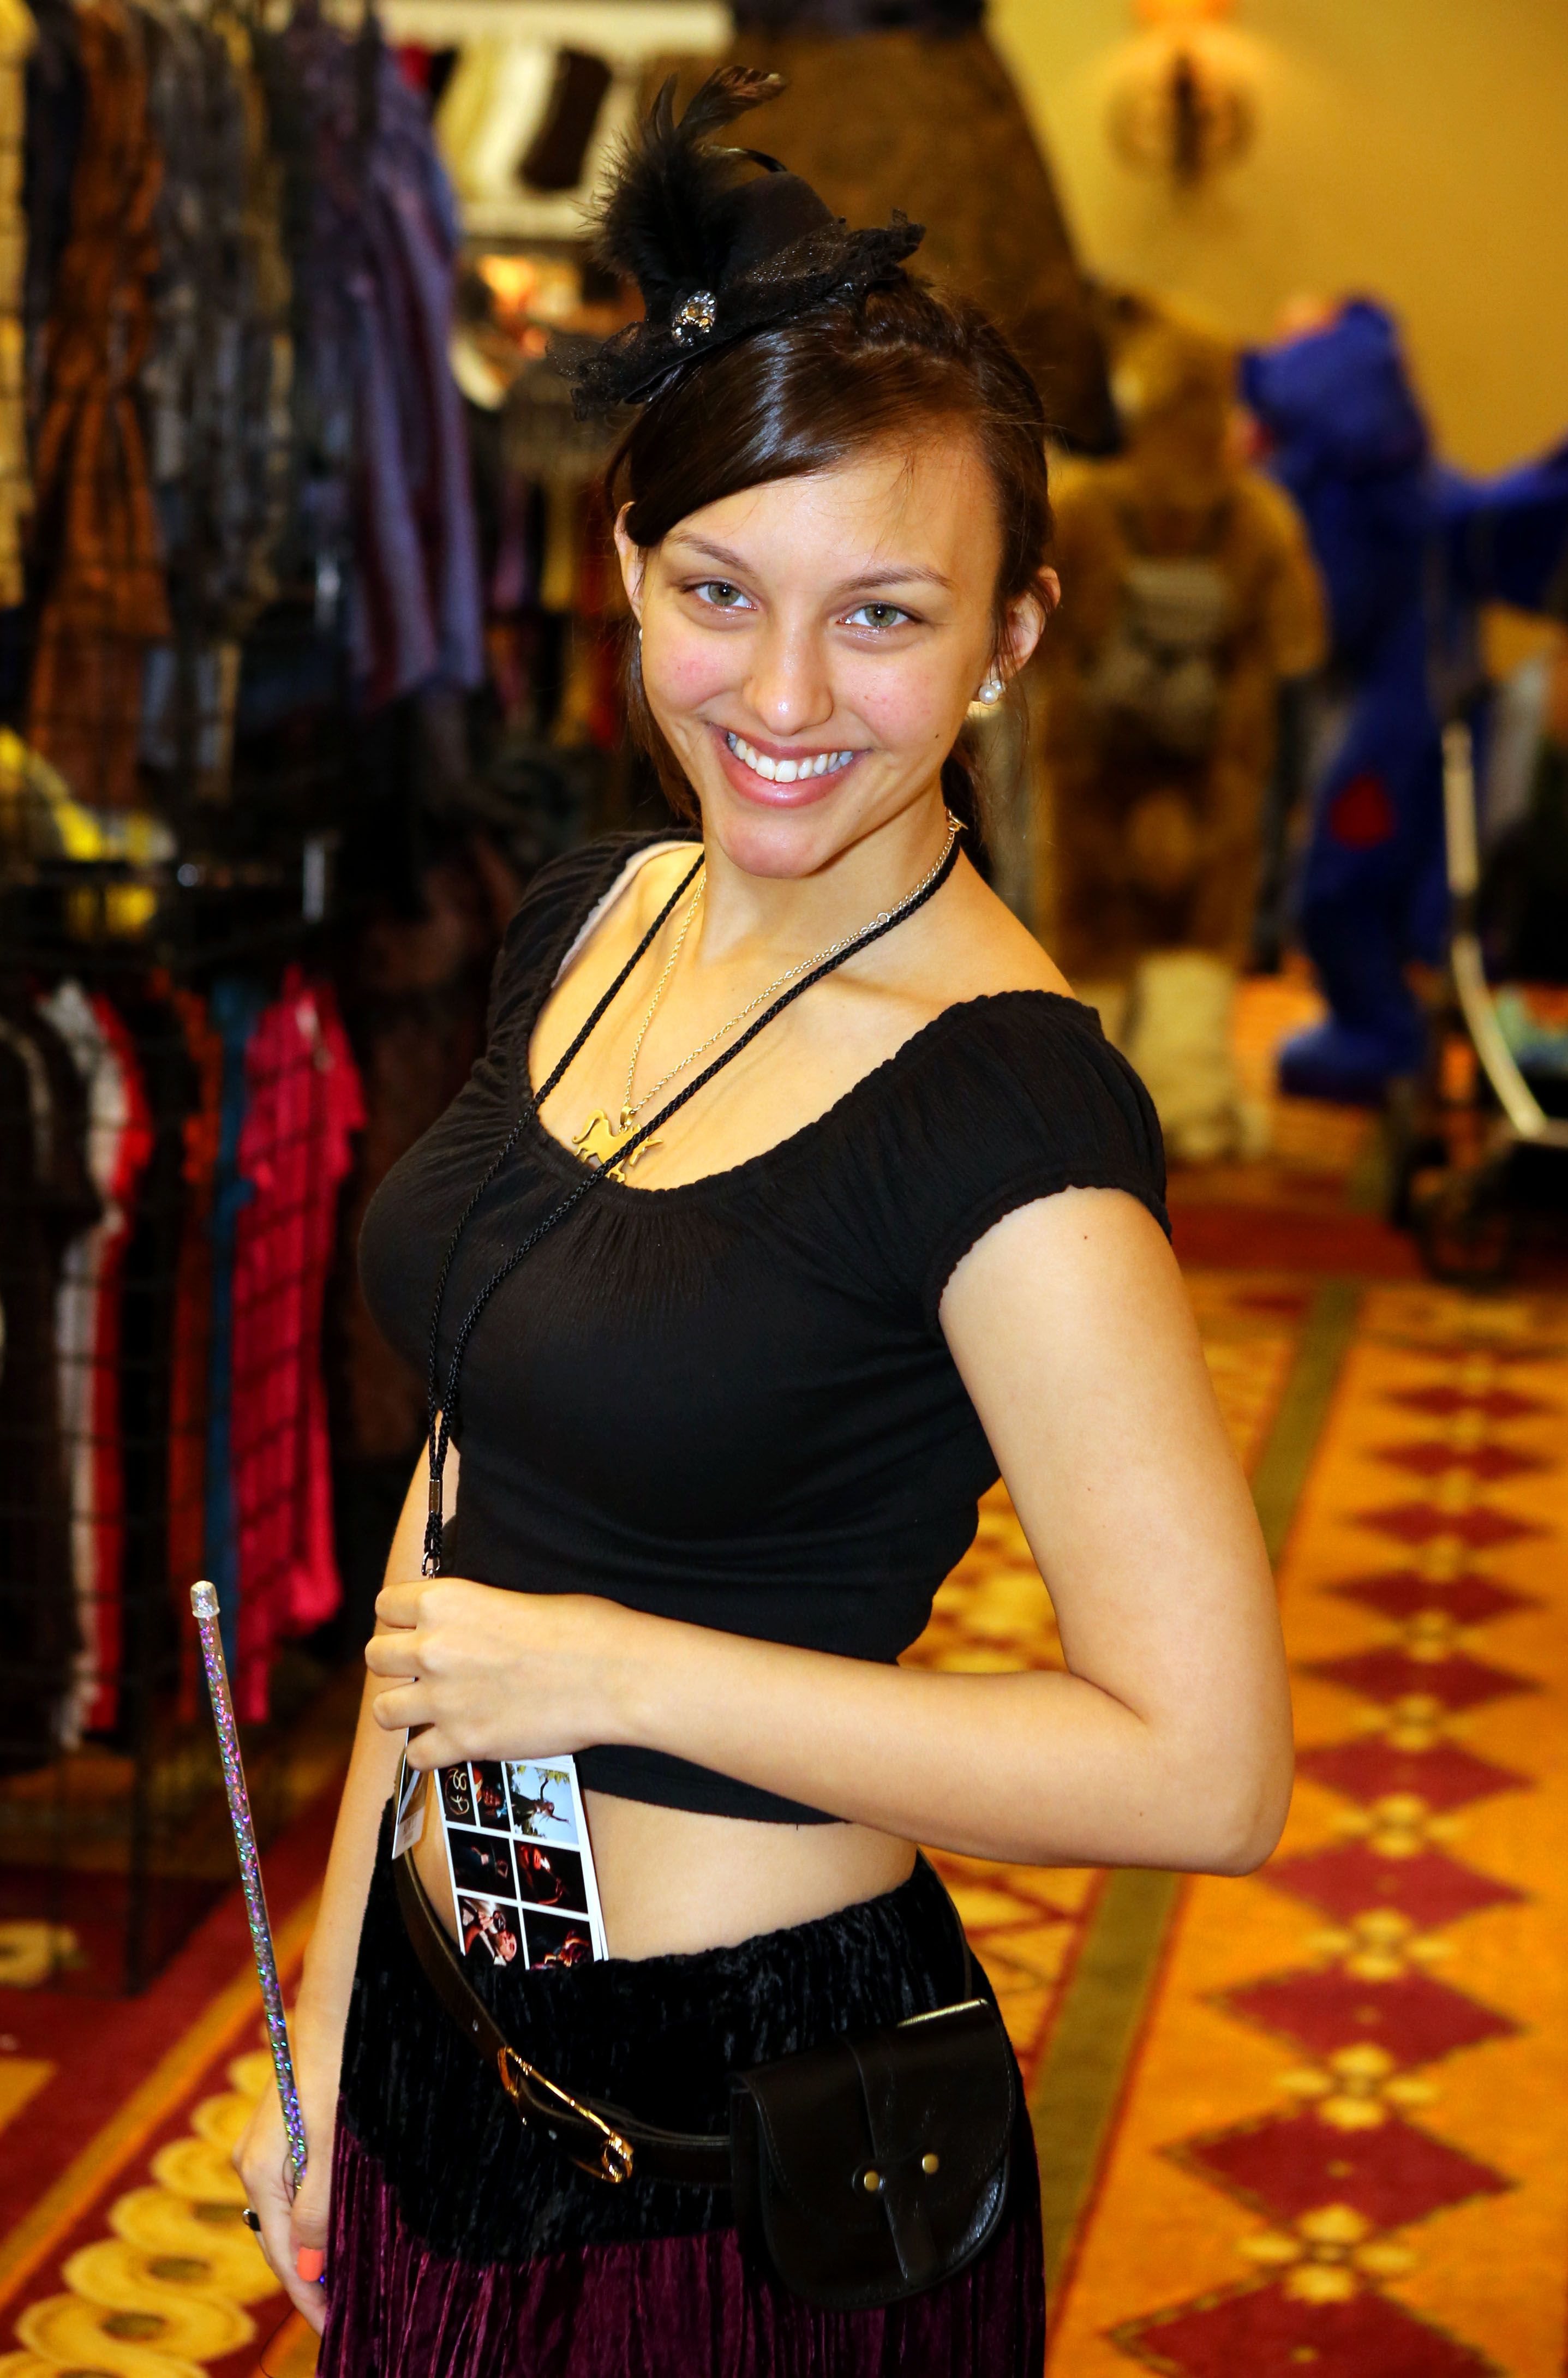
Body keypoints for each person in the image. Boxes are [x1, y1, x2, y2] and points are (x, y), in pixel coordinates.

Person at [235, 69, 1291, 2376]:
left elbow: (1204, 1766)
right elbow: (463, 1494)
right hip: (438, 2039)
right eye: (719, 593)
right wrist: (325, 2005)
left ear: (1009, 633)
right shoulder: (593, 911)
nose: (785, 698)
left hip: (750, 2138)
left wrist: (628, 1676)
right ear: (625, 566)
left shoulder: (1003, 1110)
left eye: (882, 615)